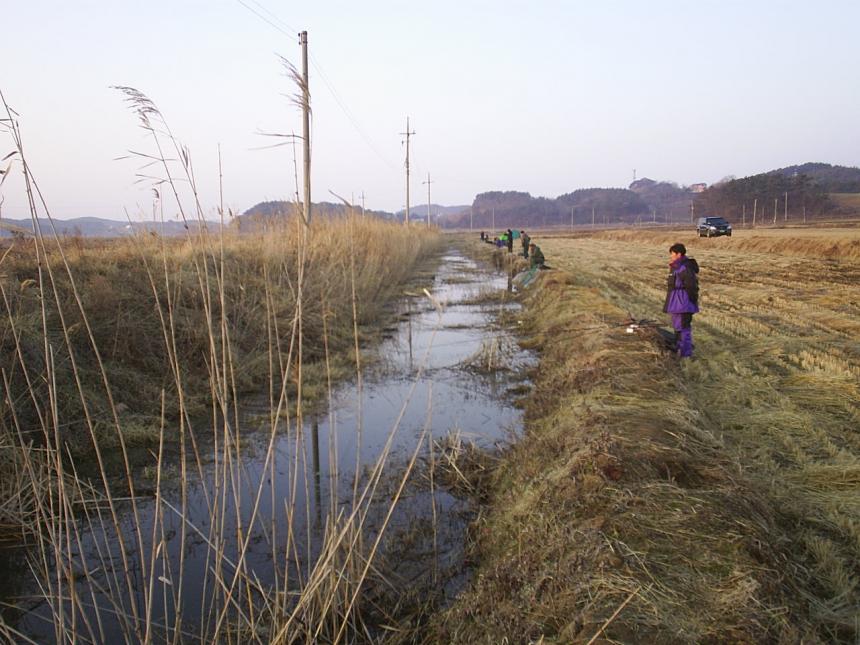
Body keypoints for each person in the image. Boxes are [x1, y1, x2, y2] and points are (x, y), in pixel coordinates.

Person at [662, 243, 699, 358]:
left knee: (684, 329)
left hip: (683, 304)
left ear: (679, 254)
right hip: (676, 304)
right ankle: (678, 347)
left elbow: (691, 287)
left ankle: (685, 354)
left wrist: (691, 301)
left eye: (672, 254)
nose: (671, 256)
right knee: (678, 328)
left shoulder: (684, 268)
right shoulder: (676, 267)